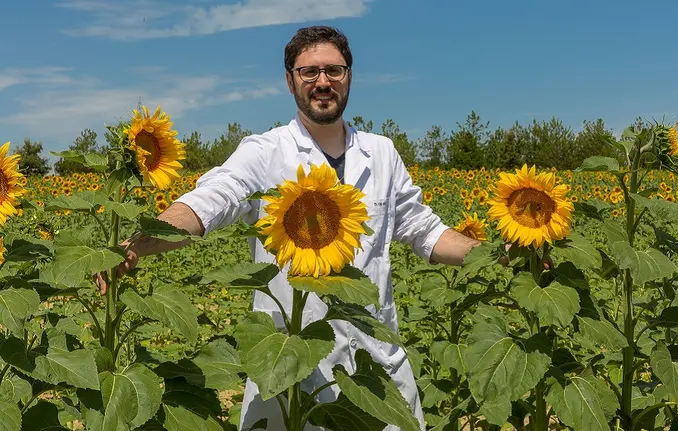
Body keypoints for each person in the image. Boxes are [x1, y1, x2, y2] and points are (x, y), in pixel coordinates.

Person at [95, 26, 481, 430]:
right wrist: (139, 243)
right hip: (288, 368)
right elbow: (212, 200)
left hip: (375, 372)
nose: (322, 82)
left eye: (334, 70)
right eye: (309, 72)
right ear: (290, 80)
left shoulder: (381, 153)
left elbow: (425, 230)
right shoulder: (266, 152)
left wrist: (495, 255)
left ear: (349, 75)